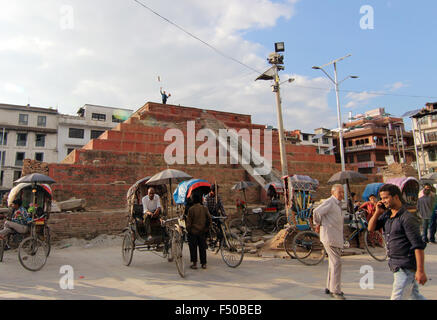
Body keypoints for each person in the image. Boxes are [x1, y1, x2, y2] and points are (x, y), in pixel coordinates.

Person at [368, 184, 427, 300]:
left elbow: (418, 246)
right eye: (381, 198)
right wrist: (377, 212)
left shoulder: (407, 218)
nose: (383, 201)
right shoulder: (387, 215)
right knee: (414, 296)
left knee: (397, 297)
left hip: (405, 265)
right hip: (396, 265)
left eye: (385, 198)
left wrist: (420, 271)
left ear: (396, 197)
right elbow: (371, 228)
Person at [313, 184, 346, 300]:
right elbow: (316, 212)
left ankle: (329, 286)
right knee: (336, 263)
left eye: (343, 192)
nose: (342, 194)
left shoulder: (338, 204)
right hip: (329, 237)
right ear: (333, 193)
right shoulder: (330, 202)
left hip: (335, 237)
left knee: (333, 263)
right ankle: (335, 290)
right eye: (339, 192)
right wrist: (318, 224)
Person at [186, 193, 212, 270]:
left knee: (193, 248)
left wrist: (188, 230)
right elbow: (209, 220)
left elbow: (189, 223)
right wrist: (206, 229)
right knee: (202, 248)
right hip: (202, 232)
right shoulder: (204, 208)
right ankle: (203, 264)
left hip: (193, 232)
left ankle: (194, 264)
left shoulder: (191, 209)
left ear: (193, 200)